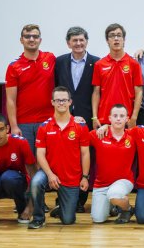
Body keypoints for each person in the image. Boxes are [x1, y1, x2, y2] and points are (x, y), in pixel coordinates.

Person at [28, 86, 90, 229]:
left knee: (68, 220)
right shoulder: (44, 127)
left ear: (70, 102)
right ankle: (38, 218)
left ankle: (61, 208)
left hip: (71, 176)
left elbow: (85, 153)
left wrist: (85, 176)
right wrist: (49, 174)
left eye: (64, 100)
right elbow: (40, 154)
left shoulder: (80, 126)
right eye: (58, 100)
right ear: (52, 102)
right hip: (49, 172)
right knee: (36, 182)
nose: (61, 103)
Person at [54, 26, 100, 214]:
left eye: (82, 40)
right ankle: (62, 198)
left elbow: (98, 93)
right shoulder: (59, 62)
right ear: (68, 43)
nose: (79, 43)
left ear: (86, 41)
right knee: (65, 158)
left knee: (86, 157)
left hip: (88, 119)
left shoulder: (96, 63)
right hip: (63, 119)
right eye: (75, 40)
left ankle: (80, 199)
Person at [5, 24, 56, 155]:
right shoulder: (14, 66)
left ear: (40, 40)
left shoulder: (50, 58)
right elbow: (10, 100)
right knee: (28, 162)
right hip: (24, 123)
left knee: (48, 159)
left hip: (48, 120)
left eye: (35, 36)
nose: (31, 39)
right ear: (21, 40)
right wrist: (14, 126)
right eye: (27, 36)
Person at [0, 113, 37, 224]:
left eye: (1, 129)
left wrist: (30, 207)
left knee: (9, 177)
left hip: (16, 184)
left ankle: (22, 208)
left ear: (8, 129)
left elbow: (34, 175)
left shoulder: (21, 143)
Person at [89, 104, 135, 224]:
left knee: (114, 194)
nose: (118, 118)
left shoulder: (133, 135)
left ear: (127, 119)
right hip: (101, 184)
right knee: (98, 219)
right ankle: (112, 205)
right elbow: (80, 138)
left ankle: (127, 209)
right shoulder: (98, 134)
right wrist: (79, 121)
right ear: (109, 118)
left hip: (124, 181)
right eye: (115, 116)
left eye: (121, 116)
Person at [92, 23, 143, 129]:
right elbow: (96, 93)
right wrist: (94, 117)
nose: (116, 39)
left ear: (124, 39)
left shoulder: (133, 64)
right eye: (112, 35)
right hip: (104, 119)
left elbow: (139, 92)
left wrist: (133, 117)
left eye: (119, 35)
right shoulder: (99, 64)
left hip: (126, 120)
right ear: (107, 40)